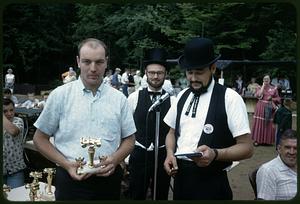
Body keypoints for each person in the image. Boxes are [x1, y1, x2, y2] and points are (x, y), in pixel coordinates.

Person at [32, 38, 136, 200]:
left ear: (106, 62)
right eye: (87, 62)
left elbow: (130, 139)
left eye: (99, 62)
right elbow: (40, 139)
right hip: (69, 180)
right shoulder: (60, 96)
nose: (93, 68)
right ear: (78, 62)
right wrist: (66, 164)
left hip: (108, 181)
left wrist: (115, 159)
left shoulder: (119, 99)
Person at [163, 37, 253, 200]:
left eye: (199, 72)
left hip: (212, 185)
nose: (193, 78)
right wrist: (170, 153)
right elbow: (171, 132)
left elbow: (247, 148)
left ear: (213, 68)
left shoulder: (230, 98)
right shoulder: (182, 95)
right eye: (190, 72)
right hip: (181, 182)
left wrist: (215, 153)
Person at [127, 48, 174, 200]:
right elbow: (126, 129)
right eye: (152, 72)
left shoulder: (173, 101)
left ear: (165, 74)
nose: (155, 76)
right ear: (146, 73)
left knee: (161, 194)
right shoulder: (133, 98)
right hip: (139, 154)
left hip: (163, 155)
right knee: (136, 193)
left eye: (159, 73)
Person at [256, 129, 297, 200]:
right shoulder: (268, 171)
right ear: (279, 149)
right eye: (287, 147)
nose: (292, 152)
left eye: (296, 148)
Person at [3, 98, 27, 188]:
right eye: (5, 111)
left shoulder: (18, 121)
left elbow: (13, 131)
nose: (9, 114)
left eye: (11, 110)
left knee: (16, 196)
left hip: (15, 170)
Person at [251, 74, 281, 146]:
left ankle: (267, 141)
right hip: (260, 107)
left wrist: (272, 99)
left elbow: (278, 99)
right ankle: (257, 140)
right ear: (263, 80)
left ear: (270, 80)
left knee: (268, 124)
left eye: (267, 79)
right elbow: (258, 95)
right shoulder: (259, 87)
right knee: (259, 123)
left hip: (269, 107)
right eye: (264, 79)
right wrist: (263, 86)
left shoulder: (274, 88)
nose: (266, 80)